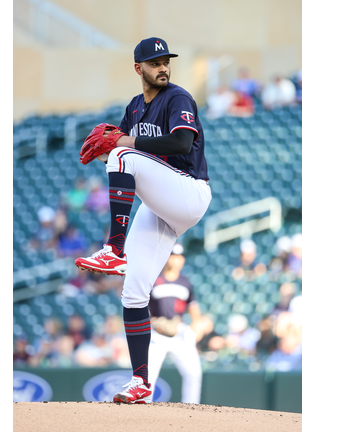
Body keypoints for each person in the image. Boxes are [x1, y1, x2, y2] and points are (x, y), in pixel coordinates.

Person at [74, 37, 212, 404]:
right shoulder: (135, 107)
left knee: (124, 151)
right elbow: (121, 149)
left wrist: (123, 145)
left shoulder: (177, 98)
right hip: (161, 205)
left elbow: (182, 145)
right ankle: (140, 382)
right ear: (139, 69)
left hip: (188, 192)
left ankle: (112, 249)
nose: (163, 67)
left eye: (166, 61)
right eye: (154, 63)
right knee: (134, 291)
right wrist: (114, 148)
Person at [147, 243, 203, 404]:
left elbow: (194, 308)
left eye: (179, 257)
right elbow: (142, 306)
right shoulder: (154, 279)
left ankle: (191, 408)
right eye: (173, 256)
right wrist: (152, 320)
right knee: (148, 376)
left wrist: (196, 327)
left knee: (194, 373)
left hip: (179, 333)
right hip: (157, 334)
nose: (176, 260)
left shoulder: (185, 282)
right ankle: (141, 409)